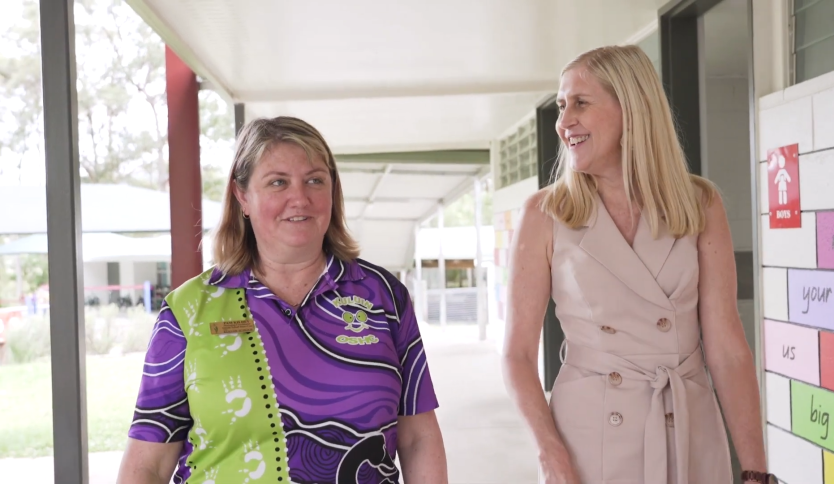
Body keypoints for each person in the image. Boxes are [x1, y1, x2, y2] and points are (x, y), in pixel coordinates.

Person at [117, 116, 448, 484]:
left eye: (314, 180)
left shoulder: (384, 297)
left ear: (332, 192)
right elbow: (147, 464)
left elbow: (418, 437)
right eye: (278, 182)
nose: (300, 198)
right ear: (242, 196)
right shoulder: (188, 310)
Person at [501, 45, 775, 484]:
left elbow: (726, 349)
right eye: (561, 105)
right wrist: (550, 454)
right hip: (587, 441)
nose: (564, 120)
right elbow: (516, 356)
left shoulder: (700, 203)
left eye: (581, 103)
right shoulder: (544, 215)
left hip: (688, 428)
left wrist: (757, 471)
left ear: (632, 108)